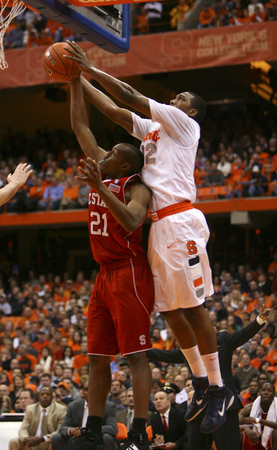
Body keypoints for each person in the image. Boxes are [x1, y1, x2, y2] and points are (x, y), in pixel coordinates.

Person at [65, 41, 232, 435]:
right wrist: (76, 78)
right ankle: (200, 382)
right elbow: (114, 110)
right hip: (159, 228)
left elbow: (131, 95)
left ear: (189, 111)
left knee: (192, 307)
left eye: (182, 98)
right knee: (171, 310)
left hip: (179, 220)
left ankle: (219, 387)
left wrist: (90, 66)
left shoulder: (185, 125)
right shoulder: (154, 132)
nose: (175, 98)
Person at [66, 72, 154, 450]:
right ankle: (93, 422)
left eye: (113, 154)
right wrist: (72, 80)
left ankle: (140, 426)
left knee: (135, 356)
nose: (105, 154)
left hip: (129, 273)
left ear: (124, 167)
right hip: (103, 276)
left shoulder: (136, 188)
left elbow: (134, 220)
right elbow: (80, 124)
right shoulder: (105, 168)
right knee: (97, 358)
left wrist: (101, 187)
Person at [146, 306, 271, 450]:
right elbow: (164, 355)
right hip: (199, 407)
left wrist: (260, 319)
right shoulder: (188, 349)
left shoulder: (222, 339)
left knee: (228, 447)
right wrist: (137, 349)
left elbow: (244, 334)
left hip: (224, 405)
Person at [51, 380, 118, 450]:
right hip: (77, 439)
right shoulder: (73, 406)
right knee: (56, 437)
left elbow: (112, 428)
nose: (89, 392)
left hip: (97, 439)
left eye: (93, 389)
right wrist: (71, 430)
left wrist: (85, 431)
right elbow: (63, 428)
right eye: (86, 389)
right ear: (82, 392)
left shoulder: (108, 406)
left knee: (107, 437)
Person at [239, 382, 277, 450]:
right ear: (259, 393)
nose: (266, 392)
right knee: (239, 433)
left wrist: (258, 420)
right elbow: (233, 425)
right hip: (254, 439)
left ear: (274, 394)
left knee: (276, 433)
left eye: (269, 391)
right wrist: (246, 429)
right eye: (263, 390)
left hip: (271, 440)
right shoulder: (249, 407)